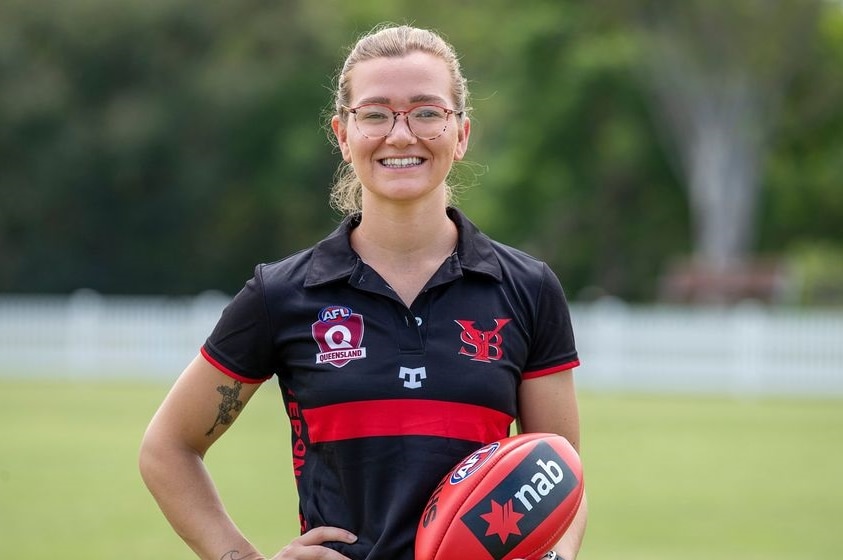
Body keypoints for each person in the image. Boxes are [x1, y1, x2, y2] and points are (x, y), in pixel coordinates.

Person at [139, 24, 588, 560]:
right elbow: (167, 448)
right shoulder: (281, 294)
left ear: (461, 133)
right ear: (343, 134)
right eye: (375, 114)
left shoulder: (527, 288)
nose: (401, 135)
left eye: (426, 112)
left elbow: (559, 474)